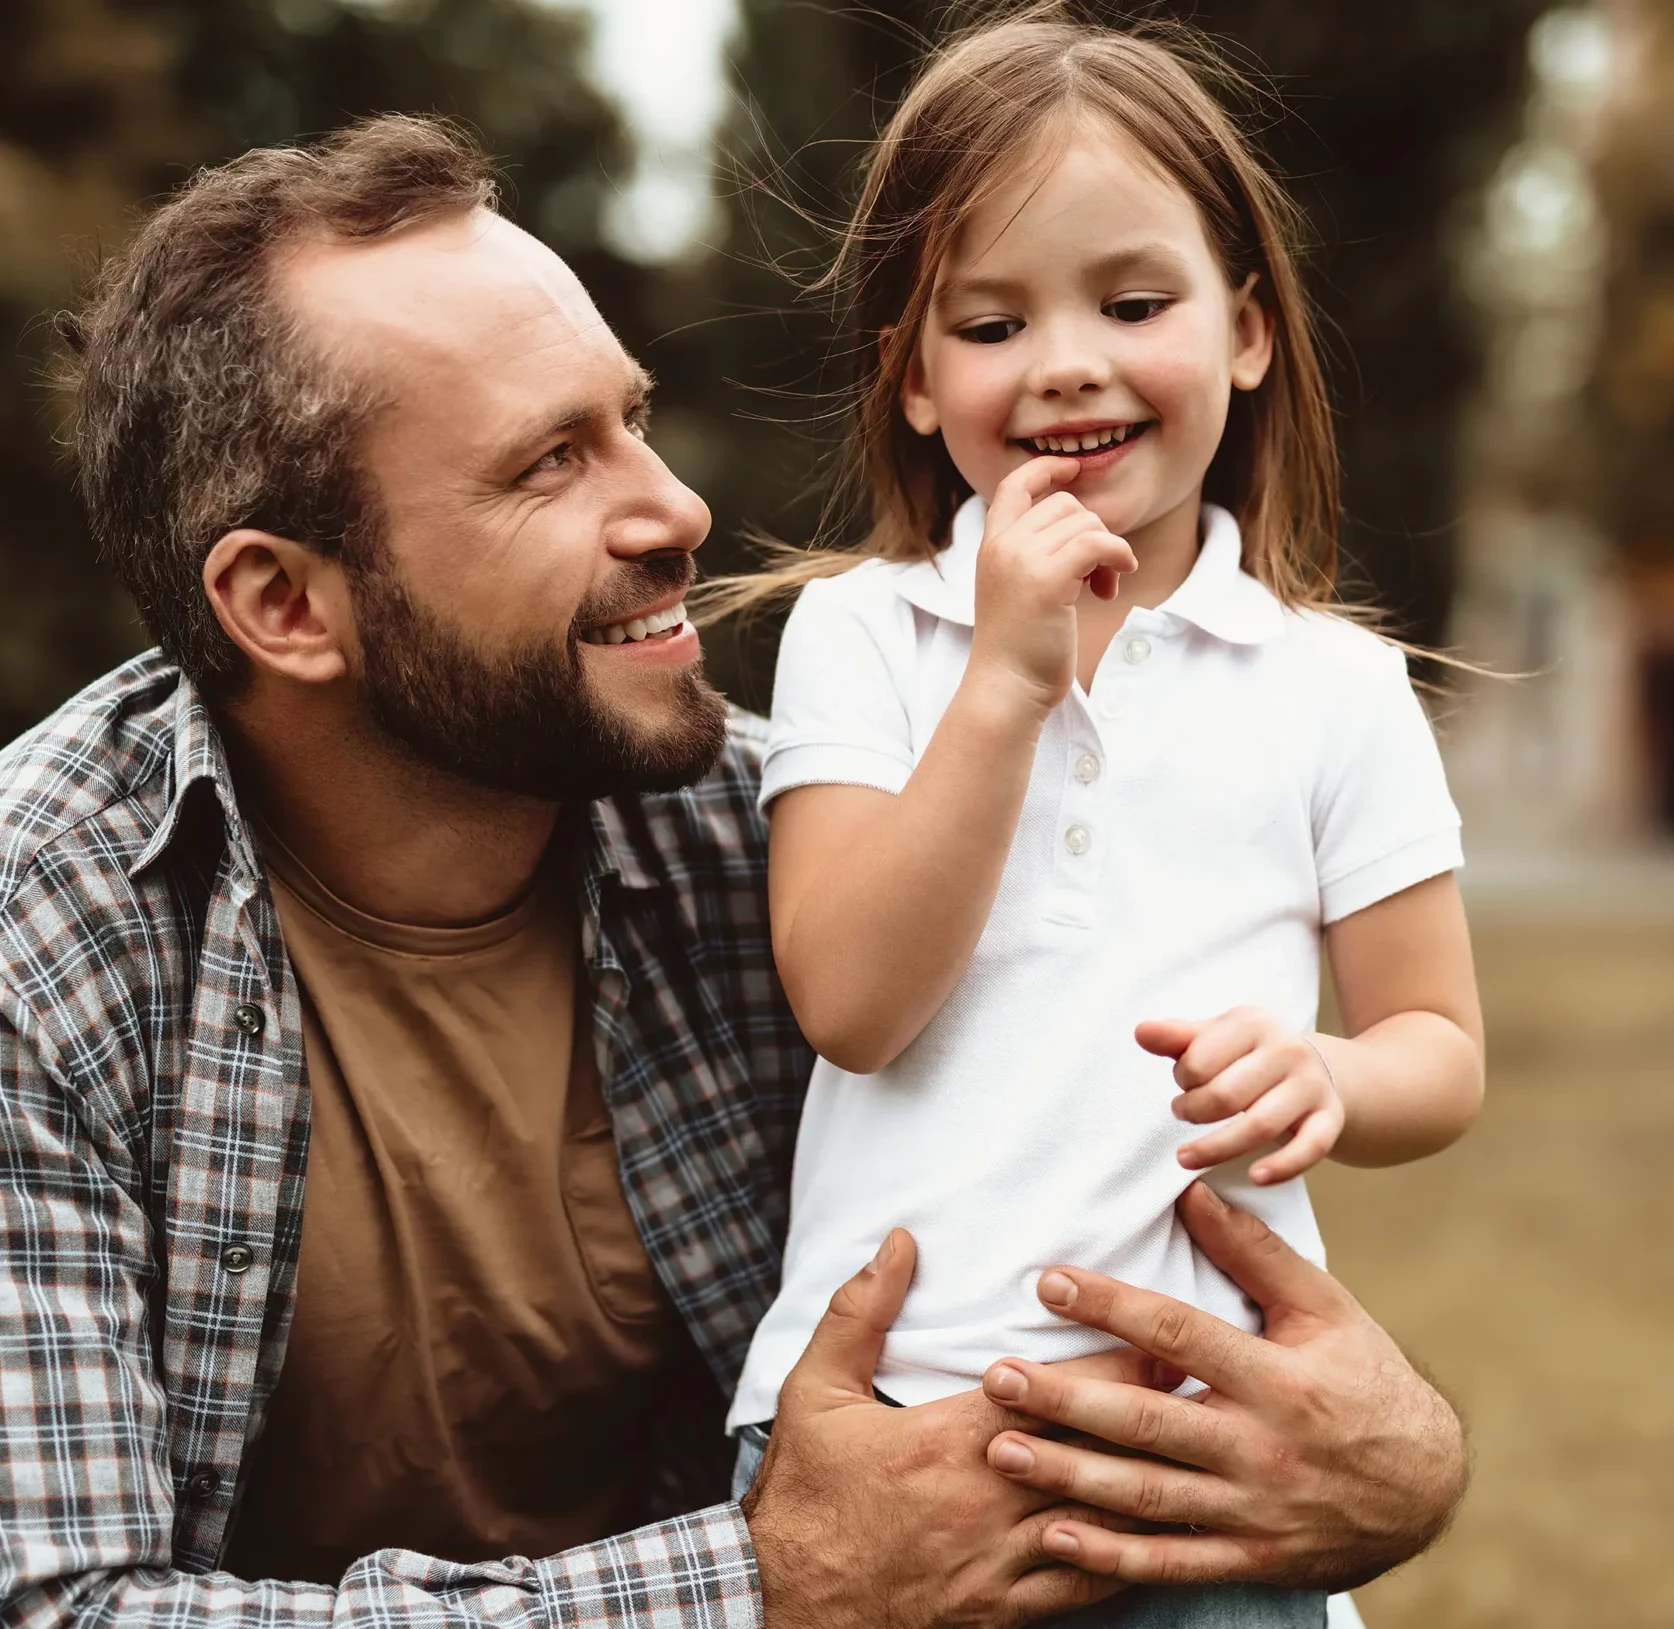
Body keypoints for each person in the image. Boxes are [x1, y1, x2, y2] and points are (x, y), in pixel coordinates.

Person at [0, 112, 1467, 1629]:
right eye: (547, 464)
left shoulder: (766, 827)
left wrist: (1399, 1458)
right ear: (283, 606)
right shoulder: (40, 945)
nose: (679, 510)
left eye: (630, 419)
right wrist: (762, 1586)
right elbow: (60, 1610)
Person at [719, 14, 1486, 1625]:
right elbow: (852, 1005)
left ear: (1250, 335)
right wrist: (1004, 680)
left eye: (1134, 305)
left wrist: (1331, 1075)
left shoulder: (1334, 687)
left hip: (1211, 1455)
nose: (1067, 360)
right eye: (992, 323)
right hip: (905, 1437)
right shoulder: (862, 638)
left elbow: (1439, 1049)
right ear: (915, 385)